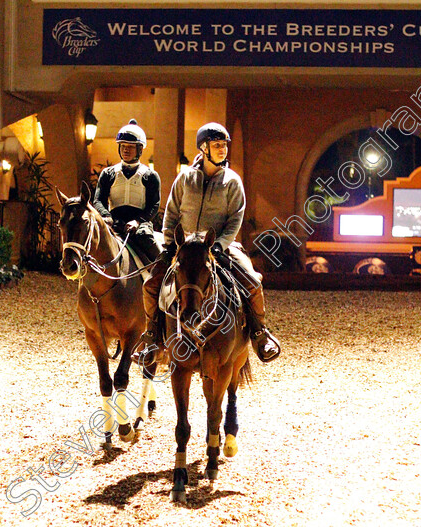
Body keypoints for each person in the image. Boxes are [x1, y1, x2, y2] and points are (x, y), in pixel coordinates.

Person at [140, 122, 281, 363]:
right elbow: (171, 213)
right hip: (184, 248)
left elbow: (236, 217)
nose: (222, 150)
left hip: (219, 247)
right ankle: (152, 337)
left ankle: (260, 333)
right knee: (150, 285)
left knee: (253, 282)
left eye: (224, 145)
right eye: (217, 145)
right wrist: (170, 243)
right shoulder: (185, 178)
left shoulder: (232, 181)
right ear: (203, 148)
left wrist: (220, 245)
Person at [92, 119, 161, 262]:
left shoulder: (150, 176)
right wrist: (106, 216)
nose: (125, 150)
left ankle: (162, 270)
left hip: (140, 223)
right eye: (123, 146)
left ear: (140, 149)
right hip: (114, 220)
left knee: (145, 238)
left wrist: (138, 221)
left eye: (130, 146)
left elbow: (154, 205)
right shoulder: (108, 174)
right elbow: (98, 200)